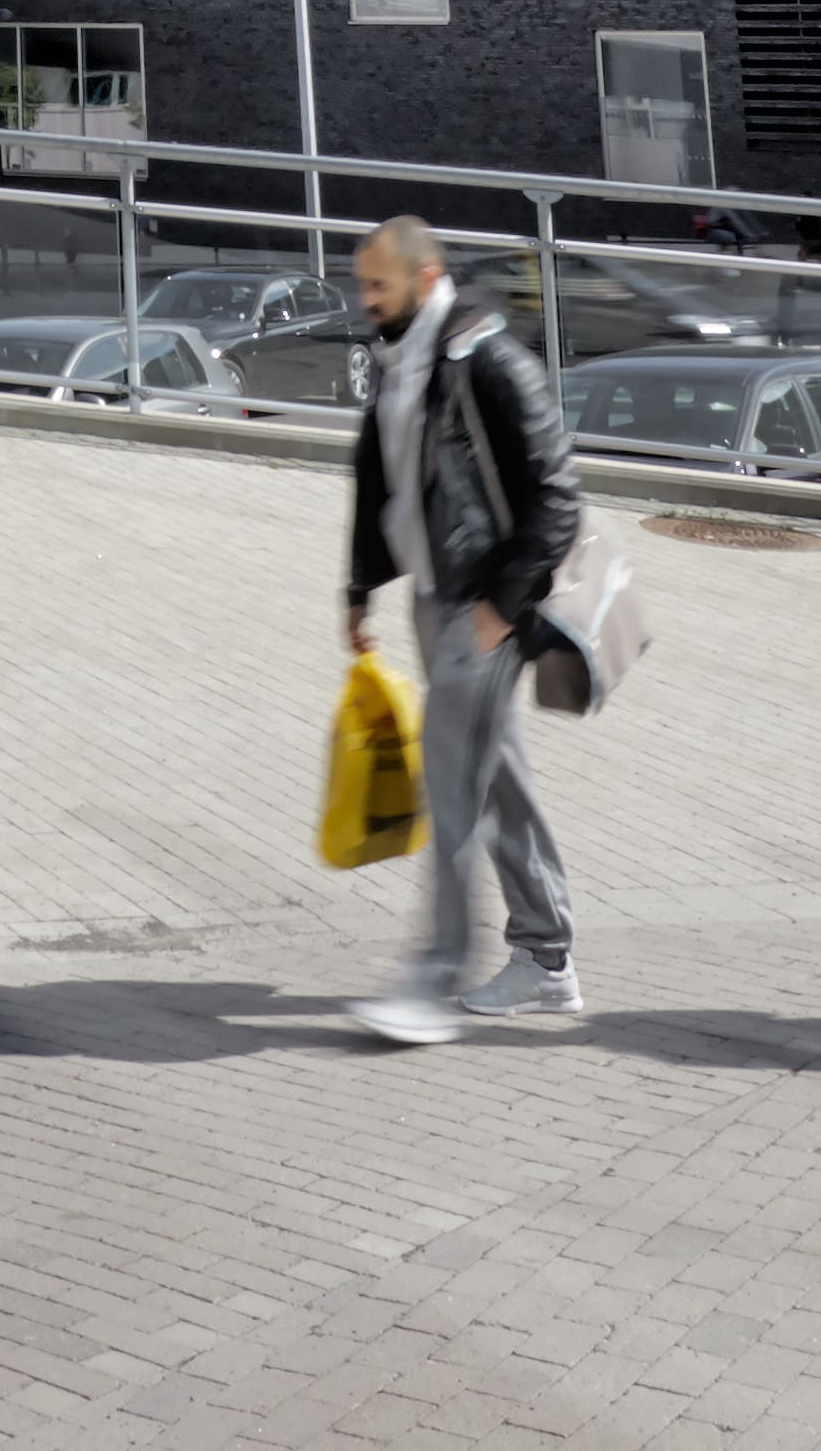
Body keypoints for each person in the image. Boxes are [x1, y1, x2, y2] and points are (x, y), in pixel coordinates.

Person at [336, 214, 586, 1041]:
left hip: (482, 607)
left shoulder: (490, 360)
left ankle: (434, 978)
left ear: (425, 273)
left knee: (451, 792)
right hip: (434, 597)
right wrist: (360, 587)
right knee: (495, 776)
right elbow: (380, 473)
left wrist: (497, 611)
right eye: (363, 285)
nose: (366, 300)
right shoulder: (397, 357)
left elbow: (557, 498)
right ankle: (547, 958)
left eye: (379, 284)